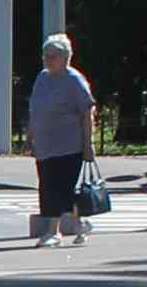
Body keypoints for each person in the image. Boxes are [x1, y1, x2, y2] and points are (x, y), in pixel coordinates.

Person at [26, 32, 98, 244]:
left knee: (62, 188)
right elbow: (34, 110)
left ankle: (53, 232)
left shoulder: (74, 80)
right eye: (45, 56)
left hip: (69, 145)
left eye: (52, 56)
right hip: (45, 145)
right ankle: (80, 225)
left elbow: (87, 111)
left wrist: (88, 144)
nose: (47, 60)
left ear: (66, 58)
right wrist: (30, 136)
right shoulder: (42, 78)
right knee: (47, 187)